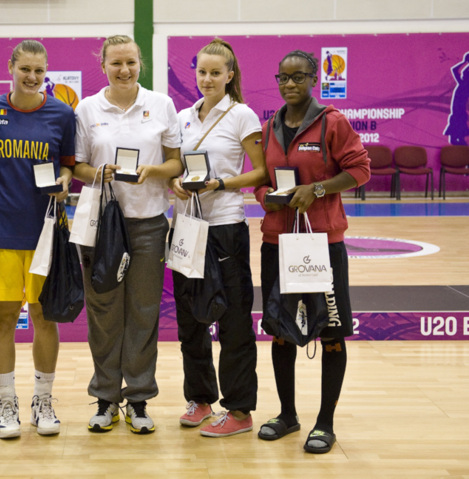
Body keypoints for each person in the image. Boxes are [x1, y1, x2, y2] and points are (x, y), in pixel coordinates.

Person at [253, 50, 370, 454]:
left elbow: (360, 170)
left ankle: (325, 423)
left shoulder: (332, 123)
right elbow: (262, 180)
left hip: (322, 244)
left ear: (313, 80)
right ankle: (287, 415)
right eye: (283, 78)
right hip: (277, 244)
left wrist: (317, 189)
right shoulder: (270, 126)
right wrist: (266, 196)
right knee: (280, 331)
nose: (289, 84)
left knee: (332, 333)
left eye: (298, 77)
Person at [73, 35, 182, 434]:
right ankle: (105, 399)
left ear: (141, 64)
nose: (124, 70)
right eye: (116, 63)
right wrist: (96, 174)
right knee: (103, 315)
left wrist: (154, 172)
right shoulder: (87, 108)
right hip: (101, 226)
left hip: (150, 222)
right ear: (103, 65)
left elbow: (176, 162)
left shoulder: (161, 105)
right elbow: (78, 165)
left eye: (131, 63)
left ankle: (138, 399)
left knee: (142, 312)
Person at [169, 38, 269, 437]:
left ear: (230, 75)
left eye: (215, 73)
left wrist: (220, 184)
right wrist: (177, 181)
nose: (207, 79)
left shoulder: (242, 114)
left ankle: (240, 410)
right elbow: (176, 164)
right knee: (190, 319)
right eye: (202, 72)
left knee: (233, 319)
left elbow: (260, 172)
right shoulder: (183, 116)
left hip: (225, 227)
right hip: (186, 227)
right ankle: (200, 399)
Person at [0, 40, 75, 439]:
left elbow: (70, 167)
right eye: (25, 70)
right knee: (3, 319)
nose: (33, 78)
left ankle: (43, 401)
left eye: (39, 71)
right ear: (11, 67)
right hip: (1, 232)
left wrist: (65, 182)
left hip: (47, 235)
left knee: (43, 317)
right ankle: (6, 404)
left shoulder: (62, 113)